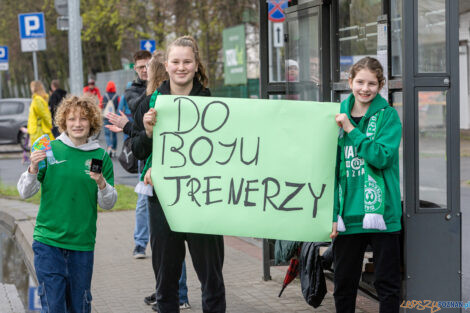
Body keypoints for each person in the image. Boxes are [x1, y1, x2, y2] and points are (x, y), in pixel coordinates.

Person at [131, 36, 226, 313]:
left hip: (203, 201)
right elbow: (136, 149)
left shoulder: (213, 104)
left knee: (211, 280)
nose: (181, 67)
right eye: (176, 62)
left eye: (187, 61)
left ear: (197, 66)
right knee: (166, 282)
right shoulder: (150, 102)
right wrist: (148, 132)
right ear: (167, 65)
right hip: (163, 203)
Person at [17, 95, 117, 312]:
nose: (77, 124)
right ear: (63, 121)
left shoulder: (100, 156)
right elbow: (25, 192)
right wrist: (32, 169)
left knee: (79, 307)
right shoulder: (49, 149)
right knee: (54, 306)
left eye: (83, 119)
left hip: (82, 245)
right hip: (48, 243)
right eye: (72, 119)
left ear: (91, 122)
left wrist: (101, 183)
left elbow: (109, 203)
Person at [330, 56, 402, 313]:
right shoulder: (334, 117)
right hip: (348, 216)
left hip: (383, 215)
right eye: (360, 81)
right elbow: (330, 168)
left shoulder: (388, 116)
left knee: (387, 283)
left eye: (372, 83)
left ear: (380, 85)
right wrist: (332, 214)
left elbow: (382, 157)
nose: (365, 88)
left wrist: (352, 129)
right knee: (344, 283)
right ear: (350, 82)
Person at [27, 80, 55, 144]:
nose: (31, 89)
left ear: (35, 88)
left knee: (39, 151)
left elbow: (44, 114)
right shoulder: (39, 99)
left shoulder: (37, 100)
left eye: (31, 87)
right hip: (40, 129)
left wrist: (49, 125)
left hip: (39, 130)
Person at [102, 81, 120, 157]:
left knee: (107, 133)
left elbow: (101, 105)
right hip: (114, 117)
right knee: (114, 134)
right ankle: (114, 150)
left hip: (106, 116)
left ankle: (109, 146)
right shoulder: (117, 96)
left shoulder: (104, 96)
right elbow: (118, 106)